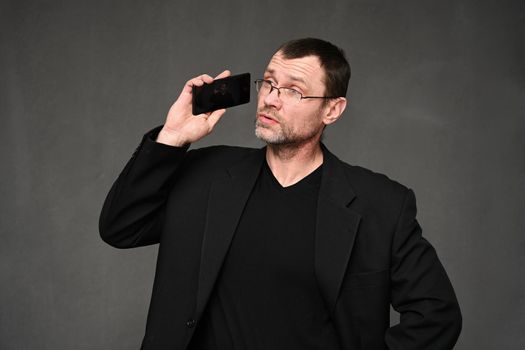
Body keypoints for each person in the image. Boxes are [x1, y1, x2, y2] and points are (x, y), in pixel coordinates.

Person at [99, 38, 462, 350]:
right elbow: (121, 227)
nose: (271, 99)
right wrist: (173, 138)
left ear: (332, 110)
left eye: (293, 90)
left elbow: (437, 314)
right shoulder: (207, 174)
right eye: (269, 83)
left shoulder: (380, 204)